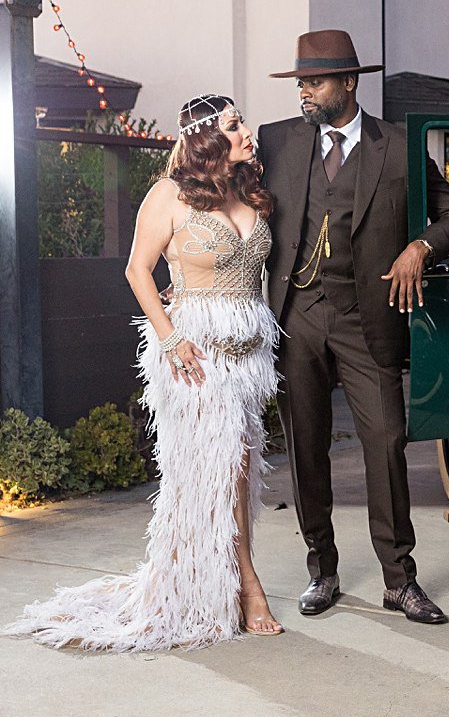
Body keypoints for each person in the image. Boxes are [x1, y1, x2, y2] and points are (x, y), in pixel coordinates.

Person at [3, 95, 284, 650]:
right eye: (235, 125)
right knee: (216, 469)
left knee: (241, 469)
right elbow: (137, 269)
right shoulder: (168, 194)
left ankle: (214, 583)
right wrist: (172, 336)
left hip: (248, 356)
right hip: (195, 355)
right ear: (208, 137)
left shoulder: (248, 189)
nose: (248, 131)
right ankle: (245, 586)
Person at [259, 30, 449, 624]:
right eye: (300, 80)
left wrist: (418, 248)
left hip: (366, 319)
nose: (304, 90)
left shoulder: (400, 146)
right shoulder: (276, 143)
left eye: (315, 80)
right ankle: (321, 570)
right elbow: (230, 203)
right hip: (297, 317)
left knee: (385, 442)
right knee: (307, 447)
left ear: (349, 83)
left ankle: (399, 582)